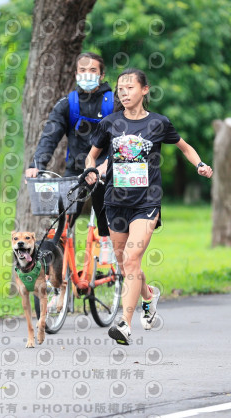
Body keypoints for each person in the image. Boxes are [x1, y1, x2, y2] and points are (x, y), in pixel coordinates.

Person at [85, 68, 213, 345]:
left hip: (146, 202)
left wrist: (200, 164)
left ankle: (125, 324)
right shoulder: (109, 123)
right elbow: (92, 156)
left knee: (131, 260)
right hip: (115, 202)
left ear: (144, 90)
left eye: (130, 87)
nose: (124, 92)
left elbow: (185, 147)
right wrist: (91, 171)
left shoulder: (158, 123)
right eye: (120, 88)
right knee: (125, 263)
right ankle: (148, 296)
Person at [25, 52, 112, 236]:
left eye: (92, 70)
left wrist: (107, 165)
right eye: (82, 70)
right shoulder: (67, 104)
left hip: (106, 170)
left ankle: (112, 255)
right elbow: (50, 135)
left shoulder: (113, 103)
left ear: (101, 75)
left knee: (111, 224)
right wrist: (37, 164)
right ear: (76, 74)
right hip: (76, 170)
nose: (87, 74)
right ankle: (64, 262)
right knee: (63, 225)